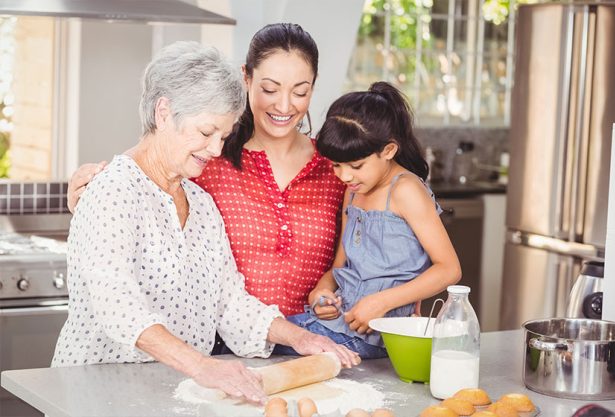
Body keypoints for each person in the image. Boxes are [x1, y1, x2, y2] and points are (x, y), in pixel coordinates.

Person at [51, 41, 359, 405]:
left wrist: (299, 338)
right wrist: (202, 366)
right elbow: (118, 307)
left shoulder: (201, 204)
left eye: (224, 136)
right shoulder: (112, 192)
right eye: (205, 132)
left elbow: (229, 302)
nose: (215, 149)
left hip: (171, 394)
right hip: (98, 393)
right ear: (163, 112)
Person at [67, 23, 346, 321]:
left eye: (300, 91)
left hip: (312, 338)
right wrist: (88, 192)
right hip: (218, 347)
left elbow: (357, 252)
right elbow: (143, 184)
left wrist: (330, 288)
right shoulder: (208, 157)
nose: (284, 105)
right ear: (246, 78)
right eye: (269, 89)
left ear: (314, 87)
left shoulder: (339, 169)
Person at [274, 81, 462, 359]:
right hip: (338, 324)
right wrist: (322, 292)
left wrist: (380, 303)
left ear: (388, 151)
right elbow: (340, 267)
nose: (344, 176)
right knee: (263, 335)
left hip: (378, 336)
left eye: (356, 166)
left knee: (264, 347)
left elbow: (449, 269)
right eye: (336, 165)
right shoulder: (353, 193)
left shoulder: (405, 191)